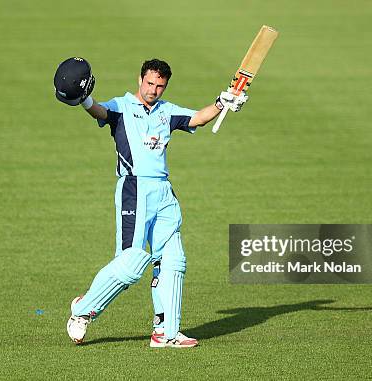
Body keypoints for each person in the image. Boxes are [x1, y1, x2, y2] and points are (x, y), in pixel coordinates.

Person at [54, 57, 247, 348]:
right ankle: (82, 311)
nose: (153, 90)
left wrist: (223, 102)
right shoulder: (121, 107)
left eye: (159, 86)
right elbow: (98, 110)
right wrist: (83, 100)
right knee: (131, 264)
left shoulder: (166, 112)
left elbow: (198, 118)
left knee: (173, 261)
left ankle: (166, 332)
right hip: (134, 189)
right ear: (139, 79)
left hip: (163, 193)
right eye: (149, 83)